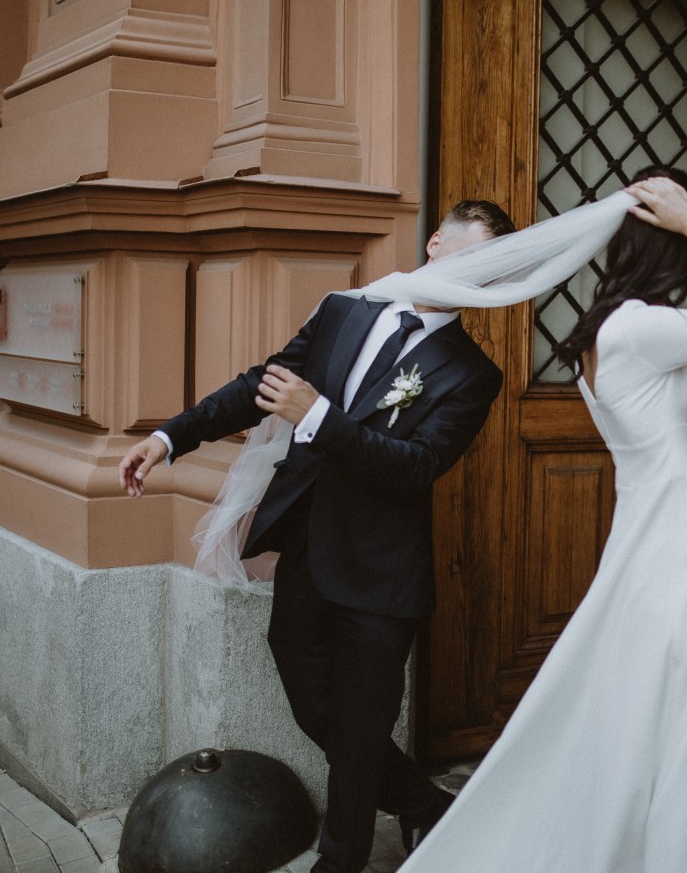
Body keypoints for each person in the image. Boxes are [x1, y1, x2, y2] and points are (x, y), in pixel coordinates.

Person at [396, 167, 687, 872]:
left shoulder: (602, 330)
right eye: (686, 234)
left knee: (653, 703)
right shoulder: (647, 327)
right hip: (685, 541)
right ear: (671, 243)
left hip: (647, 539)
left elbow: (649, 441)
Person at [117, 199, 516, 873]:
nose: (474, 275)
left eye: (491, 269)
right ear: (436, 243)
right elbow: (261, 386)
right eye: (469, 256)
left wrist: (320, 416)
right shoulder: (345, 311)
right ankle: (423, 800)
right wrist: (169, 437)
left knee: (360, 729)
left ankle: (341, 861)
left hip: (384, 572)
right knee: (313, 701)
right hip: (310, 550)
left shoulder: (472, 372)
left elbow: (415, 466)